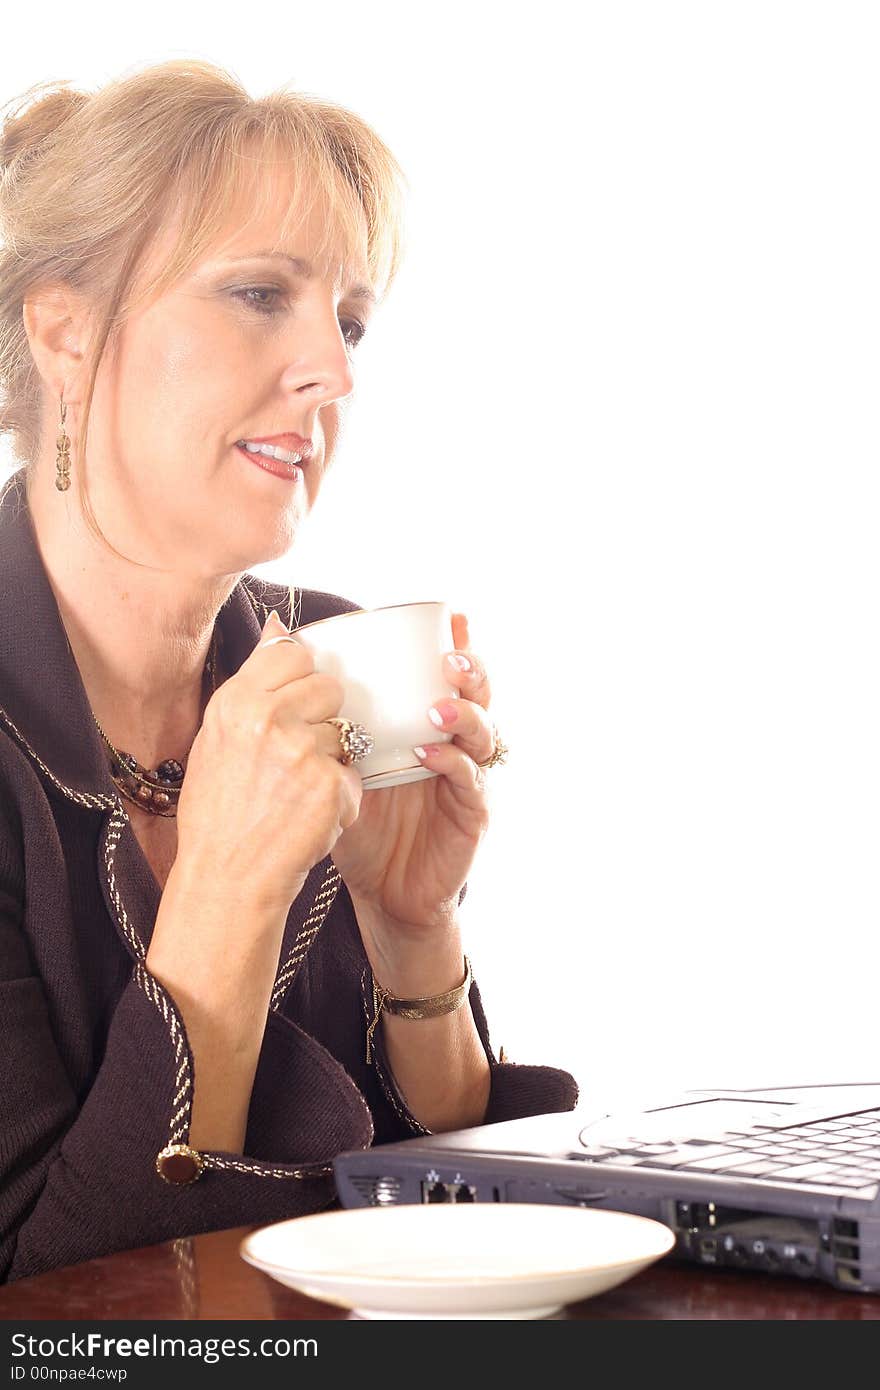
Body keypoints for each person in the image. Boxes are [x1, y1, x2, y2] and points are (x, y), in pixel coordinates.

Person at [0, 59, 578, 1284]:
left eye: (349, 319)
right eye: (260, 293)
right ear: (64, 332)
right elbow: (50, 1311)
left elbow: (472, 1228)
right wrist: (221, 883)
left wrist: (412, 930)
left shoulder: (321, 654)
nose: (336, 369)